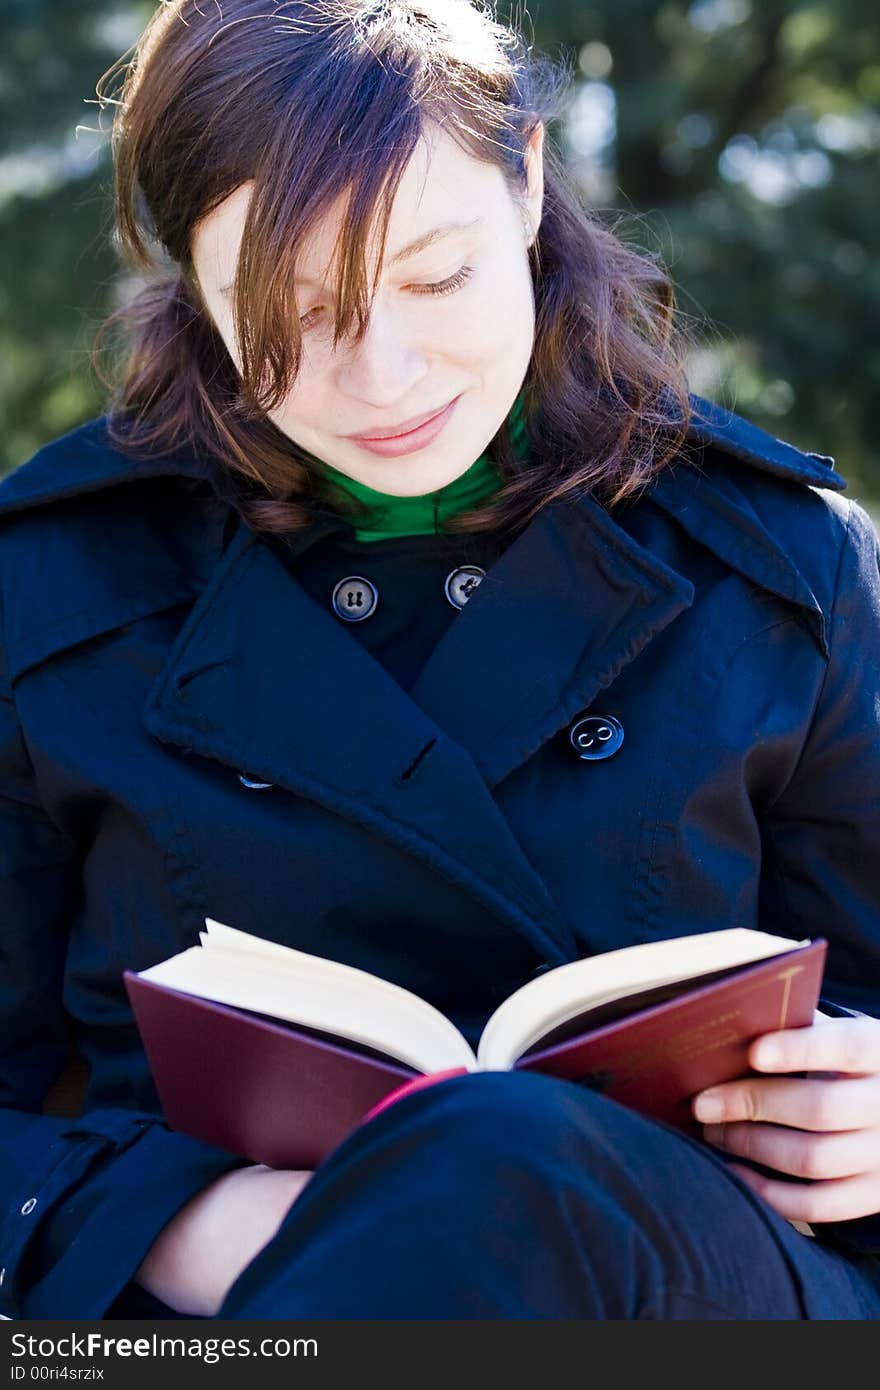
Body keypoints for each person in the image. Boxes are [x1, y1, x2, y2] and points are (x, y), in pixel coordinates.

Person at [1, 0, 879, 1322]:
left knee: (502, 1156)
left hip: (701, 1301)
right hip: (226, 1313)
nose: (384, 373)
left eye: (434, 277)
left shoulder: (787, 569)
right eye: (289, 309)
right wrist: (179, 1214)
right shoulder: (50, 590)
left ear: (526, 178)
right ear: (189, 275)